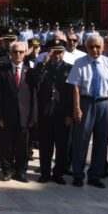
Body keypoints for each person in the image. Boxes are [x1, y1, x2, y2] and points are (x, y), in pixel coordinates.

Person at [67, 35, 108, 188]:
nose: (95, 50)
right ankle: (78, 174)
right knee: (81, 140)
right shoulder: (80, 63)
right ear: (86, 48)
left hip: (104, 104)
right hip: (86, 103)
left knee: (102, 141)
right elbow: (76, 87)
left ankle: (95, 175)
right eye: (91, 47)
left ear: (103, 48)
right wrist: (77, 108)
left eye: (98, 47)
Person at [0, 41, 37, 183]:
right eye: (15, 52)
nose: (18, 54)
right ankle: (7, 170)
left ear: (25, 53)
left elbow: (34, 95)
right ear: (10, 53)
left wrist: (33, 116)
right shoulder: (2, 71)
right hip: (6, 115)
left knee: (22, 147)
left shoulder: (30, 72)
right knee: (6, 145)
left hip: (24, 115)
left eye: (21, 52)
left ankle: (21, 171)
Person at [34, 39, 74, 184]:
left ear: (64, 53)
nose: (56, 55)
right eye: (54, 52)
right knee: (45, 145)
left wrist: (70, 114)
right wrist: (42, 65)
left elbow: (72, 94)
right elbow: (35, 84)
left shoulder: (70, 69)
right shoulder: (42, 66)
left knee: (62, 146)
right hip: (45, 112)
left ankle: (58, 174)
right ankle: (45, 173)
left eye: (59, 52)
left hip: (62, 113)